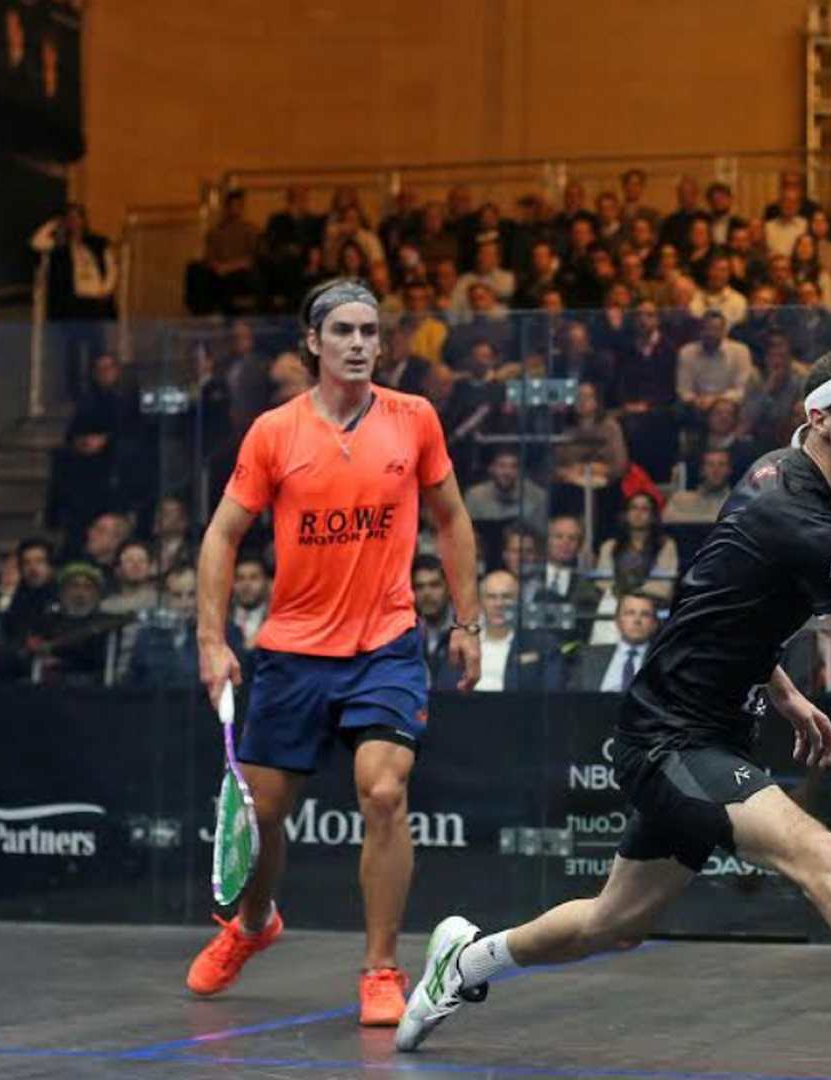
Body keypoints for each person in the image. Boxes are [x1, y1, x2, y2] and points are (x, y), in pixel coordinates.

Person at [395, 344, 831, 1077]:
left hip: (699, 729)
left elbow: (718, 606)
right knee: (821, 855)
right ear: (821, 420)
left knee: (616, 923)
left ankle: (464, 960)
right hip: (672, 742)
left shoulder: (772, 470)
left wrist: (784, 688)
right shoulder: (811, 529)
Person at [185, 279, 484, 1027]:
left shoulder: (415, 420)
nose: (359, 343)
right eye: (343, 331)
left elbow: (451, 519)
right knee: (264, 813)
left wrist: (468, 622)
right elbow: (222, 535)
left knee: (383, 791)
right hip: (292, 652)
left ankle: (382, 968)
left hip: (385, 643)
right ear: (313, 343)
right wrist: (212, 639)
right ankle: (253, 926)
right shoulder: (273, 433)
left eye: (370, 331)